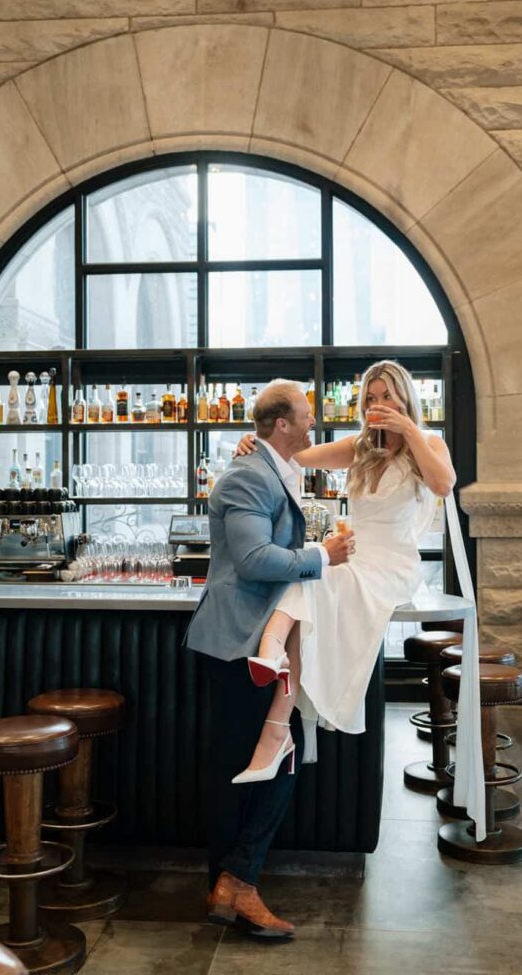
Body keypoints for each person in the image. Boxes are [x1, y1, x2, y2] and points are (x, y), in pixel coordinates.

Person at [183, 380, 355, 942]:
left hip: (261, 646)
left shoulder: (271, 467)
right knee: (241, 772)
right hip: (236, 642)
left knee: (273, 762)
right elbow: (255, 560)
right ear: (281, 423)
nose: (314, 423)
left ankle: (234, 884)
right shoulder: (247, 475)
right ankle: (233, 885)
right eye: (306, 415)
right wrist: (320, 557)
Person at [233, 359, 456, 781]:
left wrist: (408, 429)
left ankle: (271, 652)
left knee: (323, 571)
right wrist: (254, 442)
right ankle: (273, 676)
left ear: (404, 396)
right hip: (355, 556)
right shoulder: (360, 448)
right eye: (370, 398)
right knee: (317, 567)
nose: (377, 405)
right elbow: (294, 452)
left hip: (394, 563)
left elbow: (443, 485)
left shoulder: (428, 442)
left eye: (386, 395)